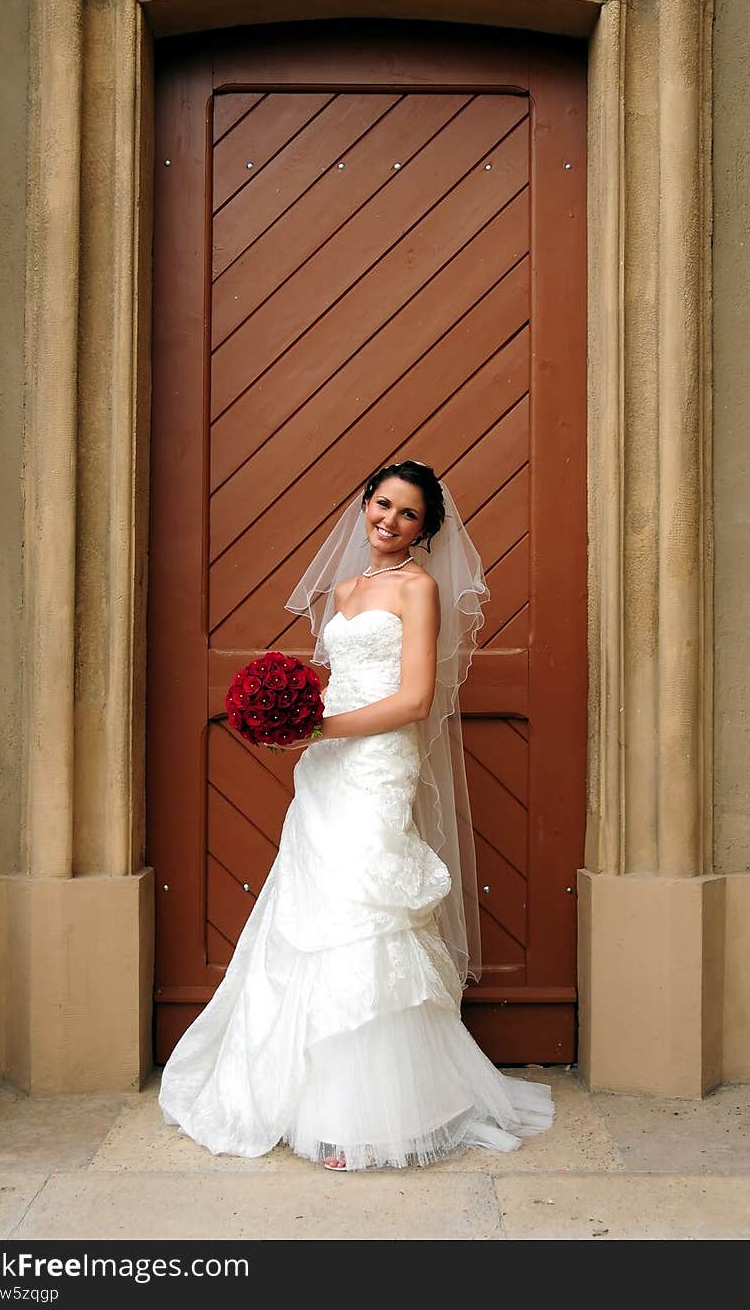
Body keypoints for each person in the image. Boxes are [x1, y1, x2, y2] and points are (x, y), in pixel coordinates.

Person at [158, 460, 554, 1169]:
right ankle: (315, 1100)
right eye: (382, 503)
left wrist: (321, 730)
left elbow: (414, 700)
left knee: (365, 905)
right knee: (315, 906)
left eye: (408, 513)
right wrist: (292, 711)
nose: (389, 520)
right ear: (364, 504)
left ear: (425, 529)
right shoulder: (342, 590)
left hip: (377, 763)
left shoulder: (419, 588)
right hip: (329, 765)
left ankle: (371, 1117)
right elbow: (339, 680)